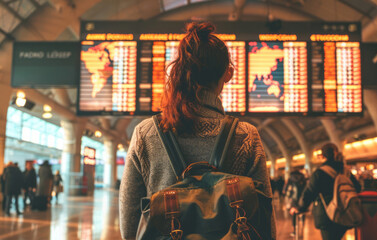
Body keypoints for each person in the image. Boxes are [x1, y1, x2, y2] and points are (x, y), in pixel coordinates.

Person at [119, 22, 275, 239]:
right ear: (228, 74)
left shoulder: (145, 133)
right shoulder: (246, 135)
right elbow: (265, 223)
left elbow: (129, 225)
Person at [290, 143, 361, 240]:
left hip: (327, 215)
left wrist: (299, 207)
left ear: (322, 156)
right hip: (345, 213)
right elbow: (358, 188)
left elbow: (309, 193)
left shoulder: (320, 173)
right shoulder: (345, 171)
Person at [283, 168, 306, 236]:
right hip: (302, 199)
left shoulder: (290, 178)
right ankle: (302, 228)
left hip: (293, 200)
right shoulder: (303, 178)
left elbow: (287, 190)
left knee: (294, 215)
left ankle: (294, 231)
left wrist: (287, 200)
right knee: (302, 213)